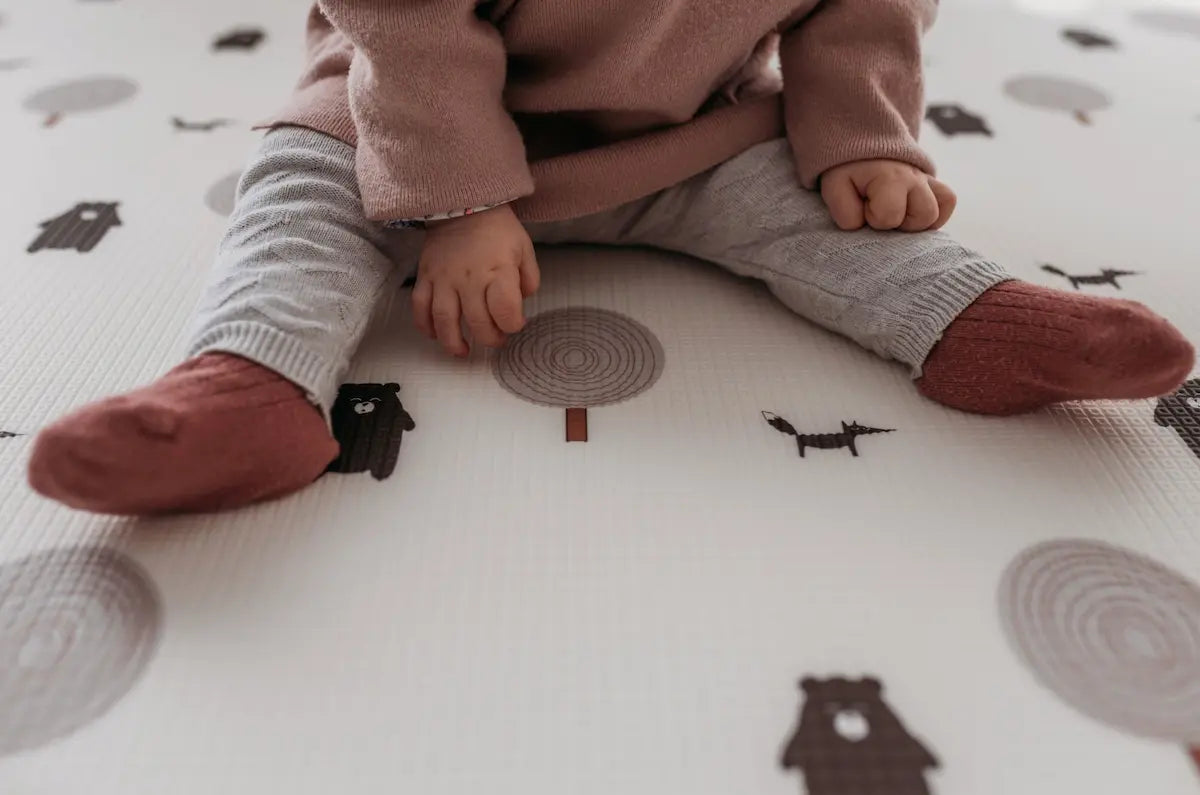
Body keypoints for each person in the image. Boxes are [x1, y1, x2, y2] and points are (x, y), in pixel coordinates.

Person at [28, 0, 1194, 515]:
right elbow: (409, 24)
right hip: (403, 130)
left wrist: (860, 136)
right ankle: (253, 387)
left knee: (809, 204)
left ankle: (964, 320)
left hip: (674, 136)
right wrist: (462, 197)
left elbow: (865, 10)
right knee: (297, 199)